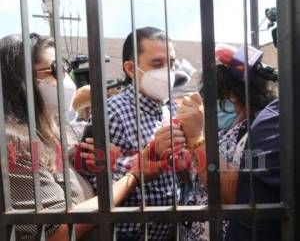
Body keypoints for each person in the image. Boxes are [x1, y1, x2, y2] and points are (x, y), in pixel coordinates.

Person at [0, 34, 169, 241]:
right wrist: (133, 176)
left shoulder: (58, 131)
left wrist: (85, 163)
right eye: (55, 70)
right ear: (21, 81)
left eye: (65, 68)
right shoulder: (16, 143)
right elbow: (57, 235)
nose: (66, 78)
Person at [82, 27, 186, 241]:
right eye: (157, 64)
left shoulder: (173, 110)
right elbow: (93, 180)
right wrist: (141, 161)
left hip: (169, 233)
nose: (168, 71)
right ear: (131, 68)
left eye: (172, 63)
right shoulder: (111, 113)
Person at [176, 44, 278, 240]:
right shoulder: (226, 131)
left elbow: (235, 195)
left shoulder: (258, 132)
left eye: (215, 96)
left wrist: (197, 140)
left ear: (233, 94)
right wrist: (185, 162)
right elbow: (198, 179)